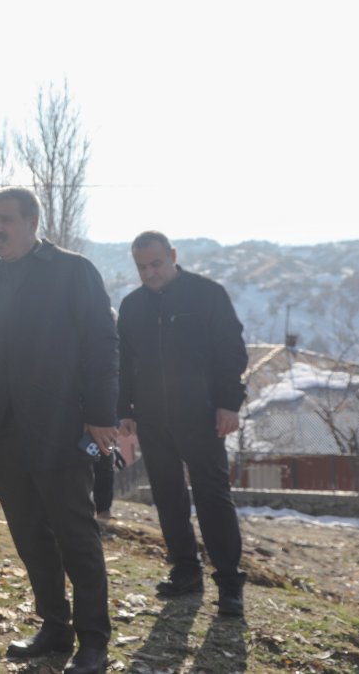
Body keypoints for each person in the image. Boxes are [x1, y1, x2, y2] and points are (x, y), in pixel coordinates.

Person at [0, 188, 118, 674]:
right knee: (31, 534)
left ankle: (93, 639)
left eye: (6, 219)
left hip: (61, 426)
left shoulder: (72, 271)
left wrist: (100, 415)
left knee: (75, 534)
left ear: (33, 221)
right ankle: (54, 626)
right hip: (5, 431)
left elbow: (102, 343)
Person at [116, 230, 248, 617]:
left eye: (156, 263)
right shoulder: (132, 306)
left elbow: (231, 352)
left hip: (202, 414)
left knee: (212, 497)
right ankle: (186, 571)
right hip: (153, 418)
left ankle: (229, 584)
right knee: (168, 495)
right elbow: (124, 362)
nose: (150, 272)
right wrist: (124, 408)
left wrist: (228, 403)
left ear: (173, 255)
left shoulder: (207, 294)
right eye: (142, 267)